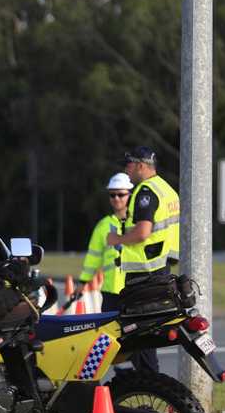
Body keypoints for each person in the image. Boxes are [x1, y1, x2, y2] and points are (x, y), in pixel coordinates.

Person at [105, 146, 181, 373]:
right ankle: (147, 384)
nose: (126, 169)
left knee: (139, 335)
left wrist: (117, 238)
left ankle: (147, 385)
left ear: (141, 165)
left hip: (145, 273)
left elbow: (143, 232)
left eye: (129, 164)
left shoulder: (146, 192)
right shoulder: (167, 190)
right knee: (148, 334)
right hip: (162, 270)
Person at [75, 173, 131, 312]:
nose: (116, 198)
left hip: (133, 289)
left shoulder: (139, 223)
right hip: (110, 292)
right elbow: (93, 258)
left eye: (120, 194)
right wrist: (83, 282)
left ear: (130, 194)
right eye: (112, 195)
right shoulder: (103, 226)